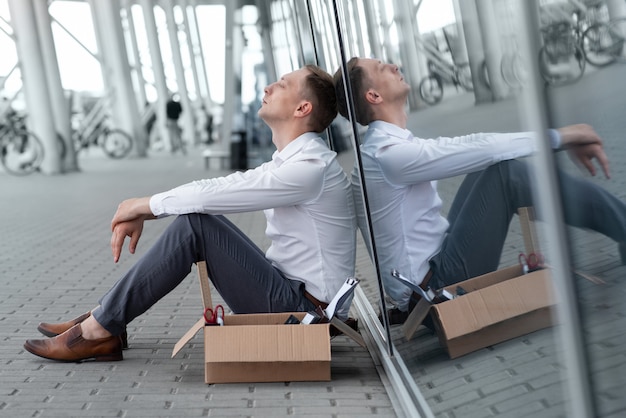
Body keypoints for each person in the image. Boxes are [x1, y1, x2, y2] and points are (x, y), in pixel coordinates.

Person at [24, 65, 357, 362]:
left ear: (302, 108)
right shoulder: (296, 162)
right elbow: (221, 186)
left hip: (305, 316)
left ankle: (100, 329)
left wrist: (143, 205)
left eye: (282, 85)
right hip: (292, 296)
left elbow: (213, 194)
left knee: (196, 225)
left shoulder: (310, 168)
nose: (268, 88)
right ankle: (104, 318)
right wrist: (150, 207)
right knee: (199, 221)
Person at [334, 57, 626, 322]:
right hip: (435, 291)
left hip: (433, 273)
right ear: (374, 96)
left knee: (491, 166)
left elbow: (476, 148)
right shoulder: (387, 156)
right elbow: (484, 146)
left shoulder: (384, 148)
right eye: (382, 68)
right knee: (505, 173)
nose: (394, 65)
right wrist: (564, 136)